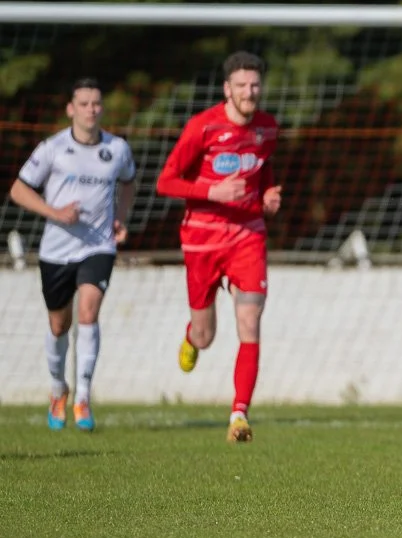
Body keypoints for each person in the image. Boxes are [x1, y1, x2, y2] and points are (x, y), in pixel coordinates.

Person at [157, 51, 282, 443]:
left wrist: (269, 195)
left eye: (255, 85)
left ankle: (239, 415)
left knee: (250, 320)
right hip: (202, 239)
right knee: (206, 335)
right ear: (227, 89)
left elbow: (264, 169)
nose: (249, 92)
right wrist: (213, 191)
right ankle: (192, 335)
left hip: (248, 235)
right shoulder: (203, 127)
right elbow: (166, 182)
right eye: (241, 85)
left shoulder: (268, 128)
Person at [9, 78, 136, 432]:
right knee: (58, 325)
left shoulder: (117, 148)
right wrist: (55, 212)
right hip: (56, 250)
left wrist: (121, 217)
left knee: (88, 311)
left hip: (98, 246)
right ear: (70, 109)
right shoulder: (52, 148)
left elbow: (129, 182)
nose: (91, 110)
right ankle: (57, 388)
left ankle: (82, 396)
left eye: (96, 103)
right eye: (83, 103)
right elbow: (18, 190)